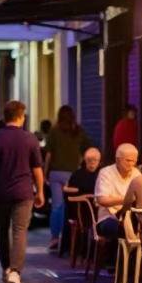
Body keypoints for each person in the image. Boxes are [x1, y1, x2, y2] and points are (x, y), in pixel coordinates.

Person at [0, 100, 45, 283]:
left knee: (2, 230)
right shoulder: (30, 139)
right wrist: (39, 191)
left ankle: (6, 267)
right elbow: (37, 169)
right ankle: (15, 271)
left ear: (5, 117)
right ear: (21, 117)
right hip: (24, 192)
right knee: (19, 231)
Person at [43, 105, 91, 251]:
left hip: (56, 173)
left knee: (57, 206)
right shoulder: (78, 131)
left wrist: (45, 173)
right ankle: (69, 237)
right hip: (73, 174)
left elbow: (48, 155)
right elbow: (88, 149)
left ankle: (55, 237)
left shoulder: (53, 131)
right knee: (73, 206)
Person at [94, 142, 140, 242]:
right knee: (115, 227)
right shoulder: (106, 173)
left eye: (134, 161)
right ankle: (119, 257)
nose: (131, 164)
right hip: (108, 217)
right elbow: (102, 200)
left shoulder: (136, 173)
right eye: (128, 160)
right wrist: (127, 200)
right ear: (118, 160)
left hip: (130, 218)